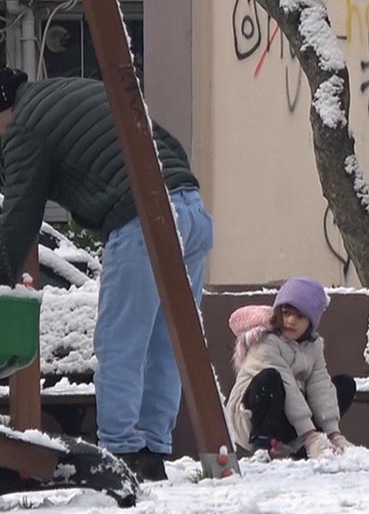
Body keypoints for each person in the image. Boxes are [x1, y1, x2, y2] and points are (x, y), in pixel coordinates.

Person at [0, 70, 212, 482]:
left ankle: (119, 454)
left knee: (120, 343)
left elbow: (19, 218)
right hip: (191, 209)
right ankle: (153, 452)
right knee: (167, 344)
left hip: (141, 216)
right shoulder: (70, 89)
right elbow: (163, 139)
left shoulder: (23, 126)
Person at [225, 278, 356, 460]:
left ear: (311, 321)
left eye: (300, 316)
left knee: (342, 384)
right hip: (251, 415)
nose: (291, 321)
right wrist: (309, 435)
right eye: (286, 313)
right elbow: (287, 385)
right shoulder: (265, 341)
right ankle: (264, 445)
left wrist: (333, 434)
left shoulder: (313, 346)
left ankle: (311, 444)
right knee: (271, 378)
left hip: (292, 416)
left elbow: (320, 386)